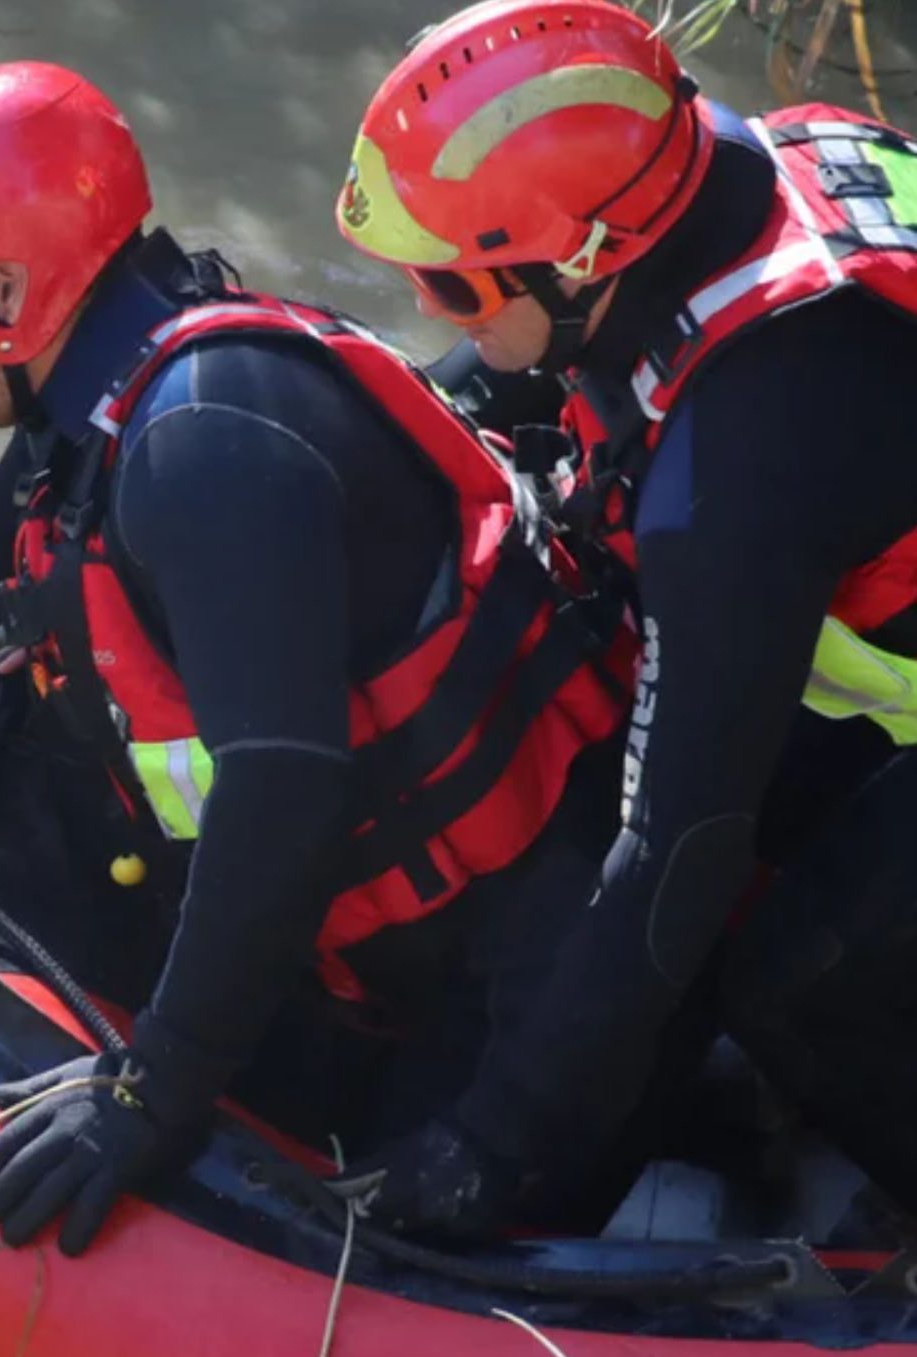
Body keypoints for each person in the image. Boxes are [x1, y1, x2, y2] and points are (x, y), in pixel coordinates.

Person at [0, 60, 632, 1255]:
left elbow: (284, 794)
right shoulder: (116, 381)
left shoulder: (200, 444)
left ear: (1, 289)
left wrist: (149, 1093)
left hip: (531, 989)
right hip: (399, 949)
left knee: (389, 1245)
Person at [333, 0, 917, 1238]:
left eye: (450, 284)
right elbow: (512, 382)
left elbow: (677, 848)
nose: (436, 307)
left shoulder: (735, 478)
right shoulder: (749, 164)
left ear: (586, 258)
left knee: (794, 985)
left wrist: (493, 1145)